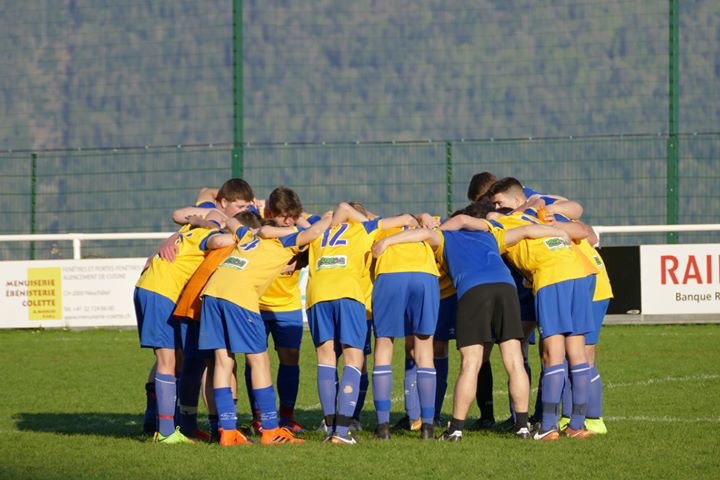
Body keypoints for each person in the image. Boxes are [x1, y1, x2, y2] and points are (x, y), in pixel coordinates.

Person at [373, 202, 570, 441]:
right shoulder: (491, 235)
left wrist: (387, 242)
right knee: (515, 360)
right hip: (506, 289)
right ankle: (522, 427)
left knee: (471, 363)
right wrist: (560, 232)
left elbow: (423, 233)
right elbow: (528, 231)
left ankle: (455, 429)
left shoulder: (445, 237)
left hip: (473, 290)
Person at [198, 199, 332, 447]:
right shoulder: (287, 240)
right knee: (258, 360)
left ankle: (227, 431)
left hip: (212, 292)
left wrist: (257, 231)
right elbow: (313, 232)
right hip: (238, 295)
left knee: (223, 360)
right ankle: (271, 429)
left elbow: (228, 220)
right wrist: (332, 216)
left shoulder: (249, 236)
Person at [488, 177, 597, 440]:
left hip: (551, 277)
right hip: (579, 272)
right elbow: (584, 230)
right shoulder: (538, 215)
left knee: (553, 354)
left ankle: (548, 426)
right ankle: (577, 426)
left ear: (514, 200)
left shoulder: (499, 223)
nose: (495, 208)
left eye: (498, 203)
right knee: (577, 353)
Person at [304, 203, 417, 445]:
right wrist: (367, 219)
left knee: (325, 359)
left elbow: (307, 219)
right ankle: (342, 433)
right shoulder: (364, 228)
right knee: (354, 360)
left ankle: (329, 429)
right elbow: (406, 217)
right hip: (348, 292)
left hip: (317, 294)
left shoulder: (321, 228)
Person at [134, 212, 235, 444]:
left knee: (172, 360)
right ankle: (166, 432)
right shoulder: (206, 233)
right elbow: (219, 241)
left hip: (150, 288)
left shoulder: (184, 233)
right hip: (161, 292)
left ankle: (169, 427)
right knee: (167, 362)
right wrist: (241, 234)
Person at [370, 214, 441, 440]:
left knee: (384, 344)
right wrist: (421, 216)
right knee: (424, 350)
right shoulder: (426, 225)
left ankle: (383, 427)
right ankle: (427, 426)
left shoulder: (379, 227)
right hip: (425, 275)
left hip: (390, 274)